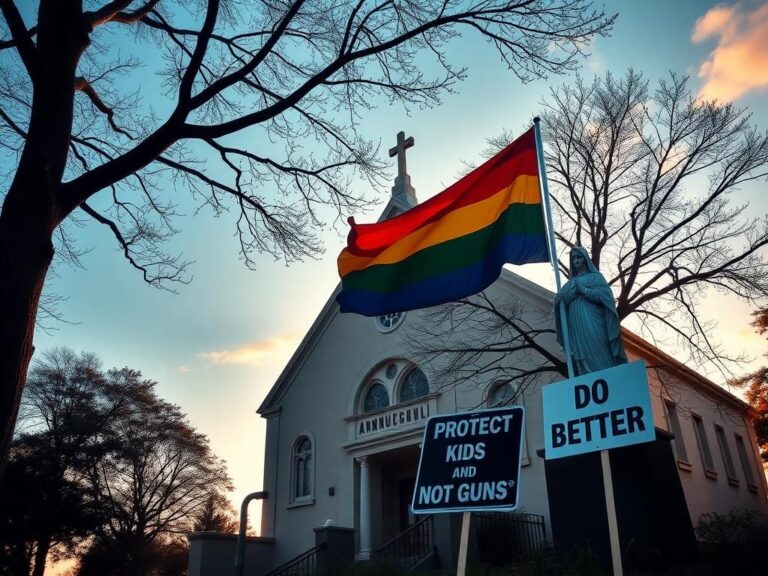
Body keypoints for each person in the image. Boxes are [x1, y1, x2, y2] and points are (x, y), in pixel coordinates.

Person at [554, 246, 627, 376]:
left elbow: (606, 297)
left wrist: (585, 291)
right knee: (581, 354)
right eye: (573, 258)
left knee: (596, 348)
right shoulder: (569, 284)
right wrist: (560, 300)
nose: (576, 261)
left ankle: (608, 377)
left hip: (592, 320)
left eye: (579, 257)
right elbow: (561, 302)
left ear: (585, 259)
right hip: (576, 324)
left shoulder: (595, 277)